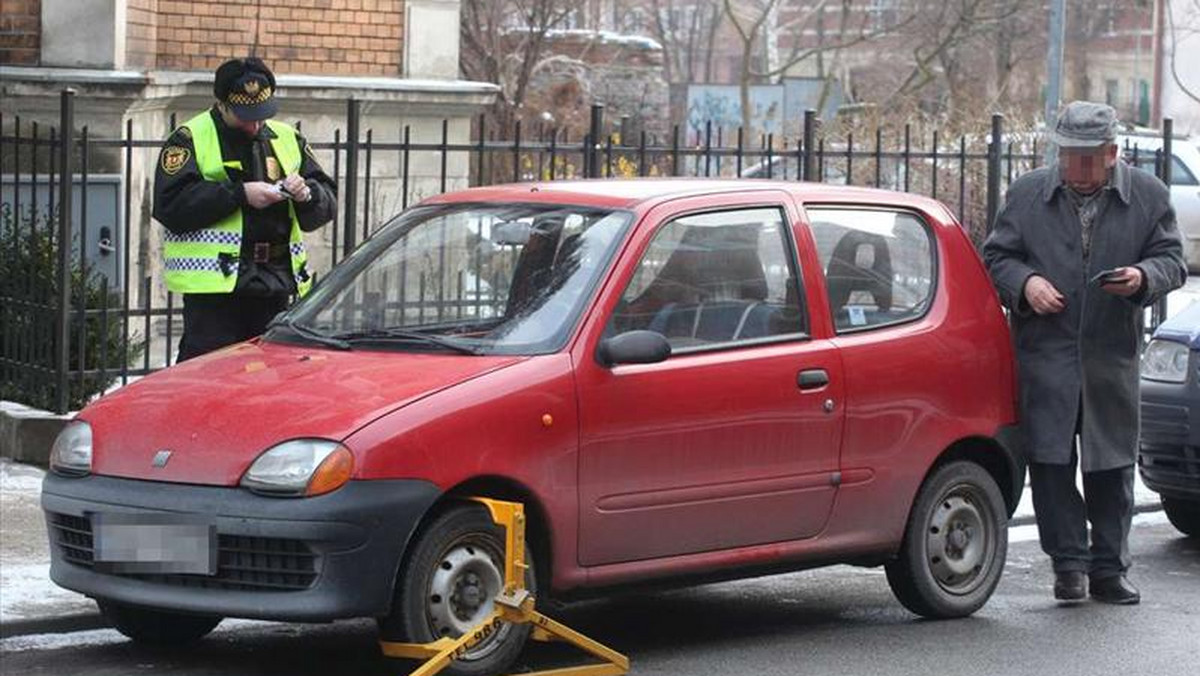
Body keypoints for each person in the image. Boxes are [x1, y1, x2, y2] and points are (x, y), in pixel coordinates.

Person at [983, 101, 1186, 605]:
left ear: (1113, 153)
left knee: (1111, 466)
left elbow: (1172, 262)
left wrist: (1142, 278)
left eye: (1088, 159)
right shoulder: (1030, 193)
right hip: (1045, 355)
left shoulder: (1148, 195)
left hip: (1109, 355)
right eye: (1069, 157)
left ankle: (1109, 569)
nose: (1077, 170)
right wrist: (1026, 284)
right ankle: (1069, 565)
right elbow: (997, 256)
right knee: (1050, 463)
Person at [153, 57, 337, 361]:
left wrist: (307, 195)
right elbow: (170, 204)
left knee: (270, 379)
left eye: (261, 115)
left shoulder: (287, 138)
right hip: (216, 293)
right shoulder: (190, 138)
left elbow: (327, 200)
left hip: (275, 284)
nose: (255, 125)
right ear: (222, 104)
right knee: (209, 380)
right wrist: (239, 194)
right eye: (245, 116)